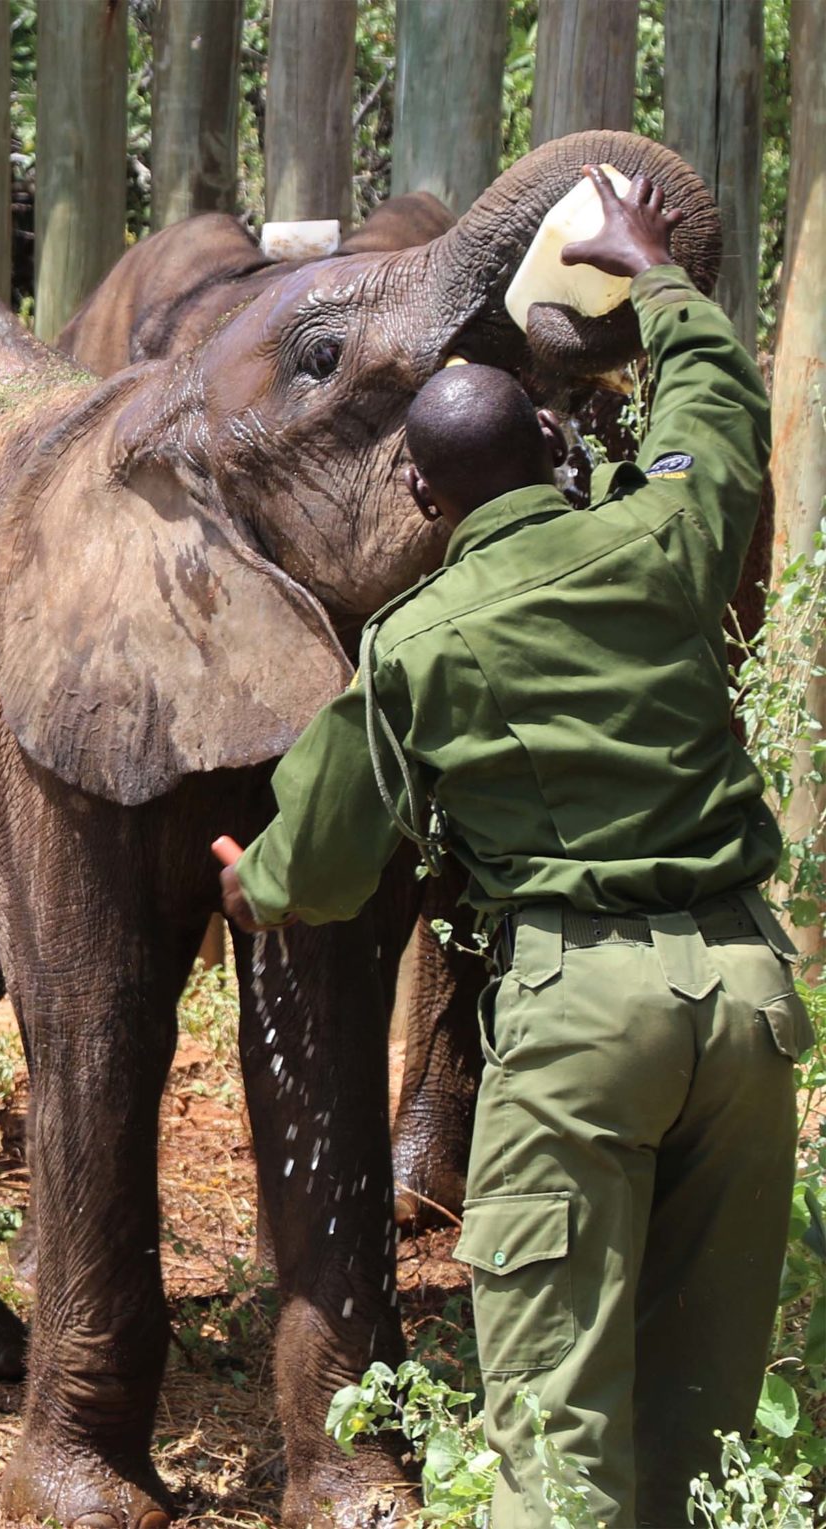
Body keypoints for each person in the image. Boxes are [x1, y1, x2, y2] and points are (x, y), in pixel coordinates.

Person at [215, 168, 803, 1527]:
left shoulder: (420, 644)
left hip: (582, 1018)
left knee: (554, 1436)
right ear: (552, 445)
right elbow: (717, 417)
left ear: (417, 489)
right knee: (700, 1439)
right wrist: (652, 272)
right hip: (746, 1006)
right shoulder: (661, 539)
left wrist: (258, 889)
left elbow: (326, 853)